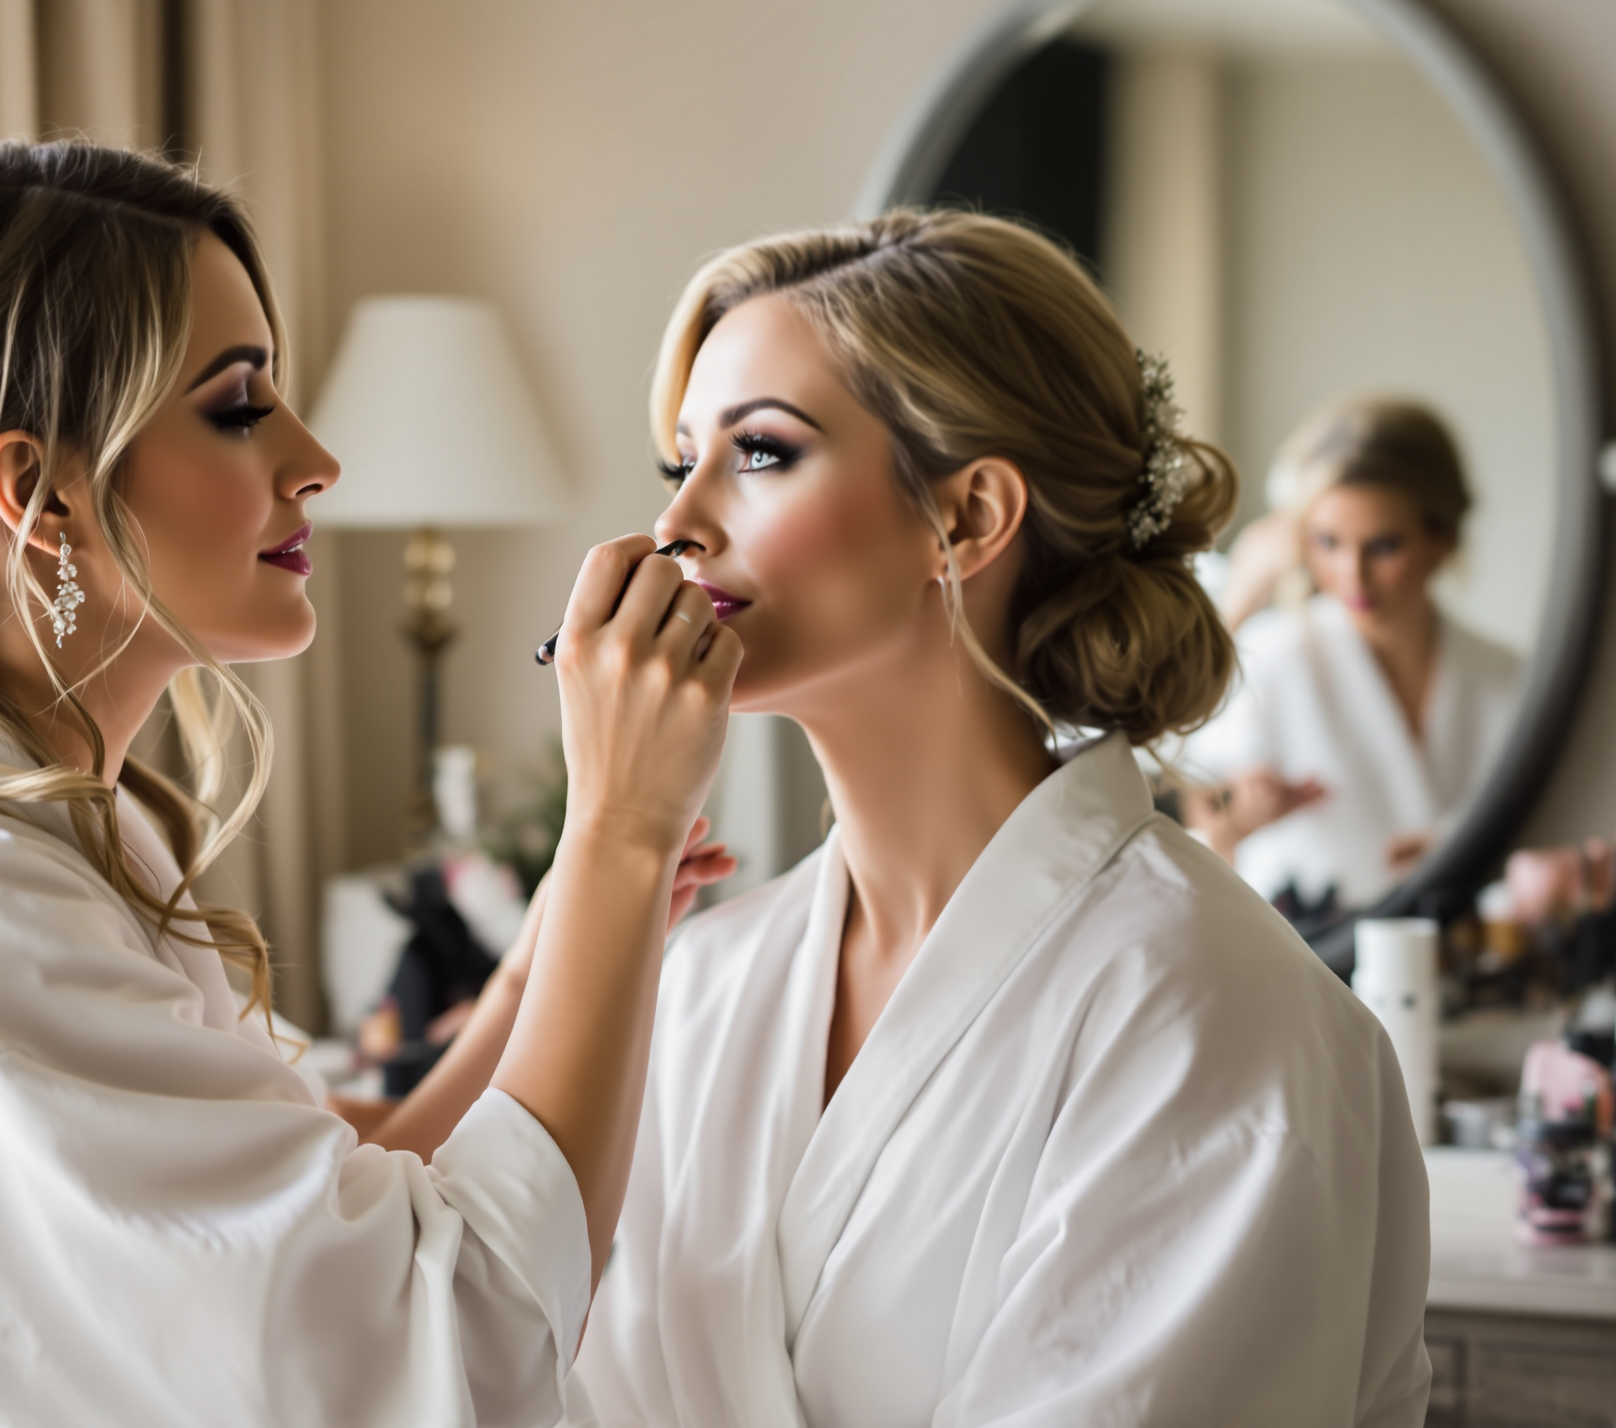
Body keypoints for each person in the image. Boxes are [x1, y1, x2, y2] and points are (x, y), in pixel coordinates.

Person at [0, 140, 741, 1428]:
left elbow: (317, 1230)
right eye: (239, 407)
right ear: (40, 495)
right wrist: (621, 834)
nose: (315, 461)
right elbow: (434, 1357)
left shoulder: (37, 824)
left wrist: (562, 925)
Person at [546, 212, 1430, 1425]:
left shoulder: (1207, 1006)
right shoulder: (700, 984)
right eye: (678, 463)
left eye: (757, 453)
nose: (675, 527)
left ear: (963, 519)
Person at [1180, 397, 1525, 910]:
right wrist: (1247, 811)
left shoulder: (1507, 677)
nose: (1352, 575)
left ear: (1441, 538)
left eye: (1383, 546)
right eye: (1328, 543)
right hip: (1303, 956)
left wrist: (1461, 848)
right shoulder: (1273, 654)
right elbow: (1206, 816)